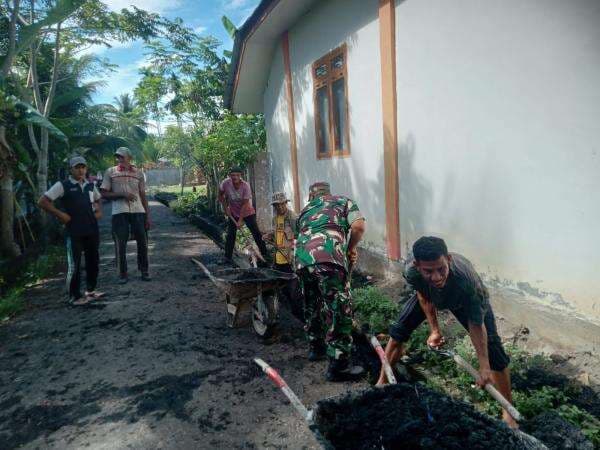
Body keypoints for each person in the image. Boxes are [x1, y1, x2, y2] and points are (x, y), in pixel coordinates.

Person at [377, 236, 518, 428]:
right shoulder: (411, 272)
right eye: (428, 271)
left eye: (441, 269)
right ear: (418, 266)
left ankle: (508, 409)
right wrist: (435, 330)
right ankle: (381, 384)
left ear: (448, 259)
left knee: (494, 351)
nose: (436, 277)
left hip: (462, 298)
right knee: (398, 332)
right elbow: (424, 297)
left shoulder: (467, 281)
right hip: (431, 295)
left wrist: (483, 366)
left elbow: (476, 324)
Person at [296, 181, 366, 381]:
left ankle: (315, 348)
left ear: (311, 197)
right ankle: (339, 365)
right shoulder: (343, 201)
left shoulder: (305, 210)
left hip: (301, 260)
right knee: (339, 308)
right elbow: (359, 226)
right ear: (329, 193)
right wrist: (350, 248)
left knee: (311, 303)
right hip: (328, 258)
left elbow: (300, 236)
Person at [38, 156, 103, 305]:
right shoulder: (63, 185)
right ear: (71, 169)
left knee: (93, 261)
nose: (81, 170)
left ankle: (91, 291)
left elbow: (98, 200)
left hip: (91, 230)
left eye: (83, 167)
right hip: (74, 232)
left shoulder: (90, 185)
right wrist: (60, 214)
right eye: (77, 167)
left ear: (86, 169)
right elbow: (43, 201)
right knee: (75, 265)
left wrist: (99, 212)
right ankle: (74, 297)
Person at [101, 147, 151, 283]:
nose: (119, 159)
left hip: (138, 211)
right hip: (119, 212)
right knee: (120, 243)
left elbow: (142, 195)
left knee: (142, 242)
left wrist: (147, 215)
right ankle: (122, 274)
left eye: (122, 157)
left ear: (129, 158)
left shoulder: (139, 173)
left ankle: (144, 271)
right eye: (118, 157)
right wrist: (122, 194)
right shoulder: (110, 172)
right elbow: (104, 193)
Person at [262, 192, 301, 317]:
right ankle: (289, 313)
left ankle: (298, 316)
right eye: (276, 205)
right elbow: (277, 235)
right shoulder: (275, 219)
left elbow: (299, 237)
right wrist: (269, 236)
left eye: (281, 204)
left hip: (290, 261)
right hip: (278, 259)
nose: (279, 207)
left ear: (286, 203)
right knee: (283, 289)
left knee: (294, 291)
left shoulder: (293, 218)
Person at [219, 167, 268, 263]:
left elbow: (245, 204)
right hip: (233, 212)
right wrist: (226, 208)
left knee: (256, 233)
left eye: (237, 175)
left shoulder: (245, 186)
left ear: (240, 176)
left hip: (247, 212)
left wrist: (240, 220)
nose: (235, 177)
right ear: (229, 176)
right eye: (233, 175)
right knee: (230, 235)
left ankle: (265, 254)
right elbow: (220, 195)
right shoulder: (225, 183)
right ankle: (227, 257)